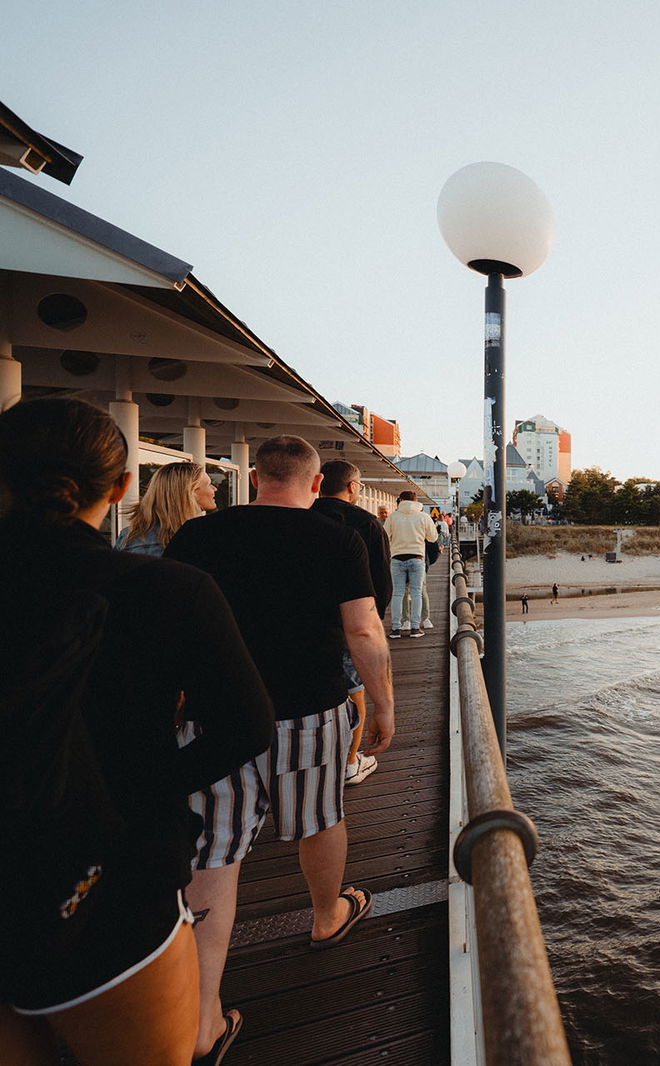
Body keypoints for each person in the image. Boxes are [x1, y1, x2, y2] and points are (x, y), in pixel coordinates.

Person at [0, 398, 272, 1066]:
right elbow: (248, 725)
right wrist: (146, 794)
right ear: (122, 487)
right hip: (108, 884)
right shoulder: (169, 587)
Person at [165, 435, 394, 1061]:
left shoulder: (198, 535)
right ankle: (327, 916)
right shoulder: (337, 539)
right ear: (315, 483)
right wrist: (385, 704)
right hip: (309, 712)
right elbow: (363, 629)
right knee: (320, 819)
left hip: (216, 718)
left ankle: (204, 1016)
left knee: (214, 851)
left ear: (258, 476)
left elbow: (169, 627)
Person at [311, 460, 391, 786]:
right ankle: (350, 760)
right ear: (353, 487)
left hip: (310, 623)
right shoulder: (368, 525)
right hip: (354, 620)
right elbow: (381, 585)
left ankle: (317, 758)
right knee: (354, 689)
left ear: (318, 483)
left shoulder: (303, 515)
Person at [114, 460, 218, 556]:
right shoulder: (199, 540)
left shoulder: (128, 536)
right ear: (191, 492)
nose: (215, 488)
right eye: (209, 484)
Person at [383, 491, 437, 638]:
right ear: (416, 501)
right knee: (417, 593)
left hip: (397, 558)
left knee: (398, 594)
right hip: (417, 558)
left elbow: (385, 536)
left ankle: (396, 629)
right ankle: (415, 628)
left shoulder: (393, 517)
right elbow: (433, 538)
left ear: (400, 500)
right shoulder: (423, 516)